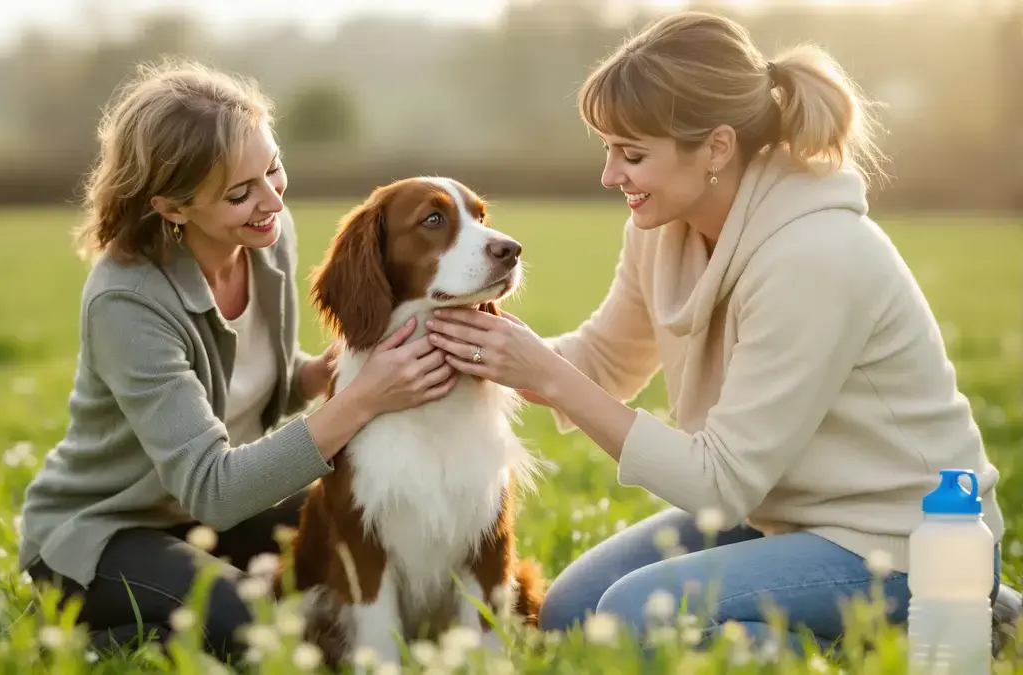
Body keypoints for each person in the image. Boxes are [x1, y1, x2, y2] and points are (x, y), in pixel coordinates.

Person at [424, 11, 1005, 653]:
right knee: (572, 612)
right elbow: (603, 360)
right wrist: (467, 350)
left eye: (632, 154)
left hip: (905, 547)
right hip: (782, 520)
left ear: (717, 149)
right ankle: (824, 637)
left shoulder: (816, 256)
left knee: (634, 616)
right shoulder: (660, 231)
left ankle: (947, 623)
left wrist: (547, 375)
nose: (610, 175)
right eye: (608, 149)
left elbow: (718, 485)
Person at [16, 60, 459, 660]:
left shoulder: (267, 236)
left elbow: (250, 382)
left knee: (368, 531)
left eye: (272, 168)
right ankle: (68, 645)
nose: (271, 200)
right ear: (173, 207)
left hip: (214, 519)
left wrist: (323, 372)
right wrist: (362, 400)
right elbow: (213, 490)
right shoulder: (126, 299)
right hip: (102, 534)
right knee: (260, 629)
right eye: (239, 193)